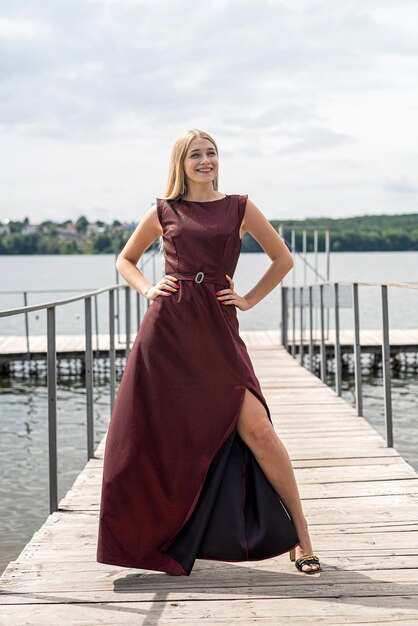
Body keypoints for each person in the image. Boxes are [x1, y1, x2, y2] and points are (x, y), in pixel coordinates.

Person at [96, 128, 321, 576]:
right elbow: (126, 259)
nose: (205, 161)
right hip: (168, 335)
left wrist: (250, 299)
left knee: (259, 431)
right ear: (180, 163)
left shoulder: (239, 207)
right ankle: (156, 536)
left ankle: (303, 539)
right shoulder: (164, 210)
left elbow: (283, 259)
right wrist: (147, 289)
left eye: (211, 153)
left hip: (218, 330)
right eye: (195, 155)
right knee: (156, 437)